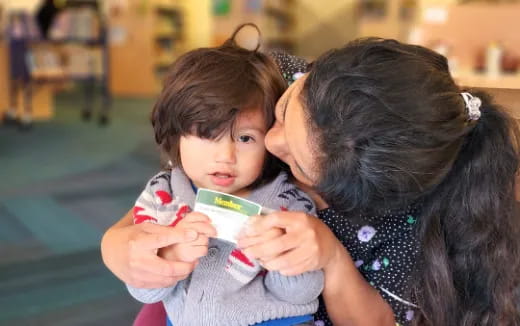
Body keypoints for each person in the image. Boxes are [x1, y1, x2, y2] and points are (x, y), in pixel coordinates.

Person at [101, 38, 520, 326]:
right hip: (193, 293)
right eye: (282, 112)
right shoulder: (281, 78)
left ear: (351, 198)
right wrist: (118, 246)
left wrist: (330, 257)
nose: (270, 139)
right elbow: (175, 184)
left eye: (296, 164)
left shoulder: (417, 222)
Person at [121, 38, 324, 326]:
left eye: (245, 138)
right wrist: (171, 256)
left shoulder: (288, 204)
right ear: (175, 136)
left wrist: (281, 257)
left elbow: (301, 293)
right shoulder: (161, 196)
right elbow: (144, 290)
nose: (226, 156)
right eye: (207, 134)